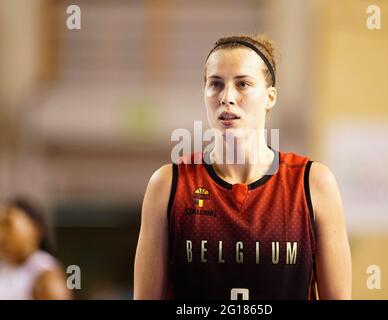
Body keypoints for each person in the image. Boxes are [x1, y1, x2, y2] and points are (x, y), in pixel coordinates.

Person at [134, 34, 352, 300]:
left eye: (243, 84)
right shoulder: (169, 184)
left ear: (270, 97)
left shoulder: (313, 183)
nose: (227, 97)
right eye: (215, 84)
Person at [0, 198, 71, 300]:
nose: (1, 236)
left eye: (8, 225)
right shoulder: (4, 268)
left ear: (35, 228)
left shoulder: (45, 276)